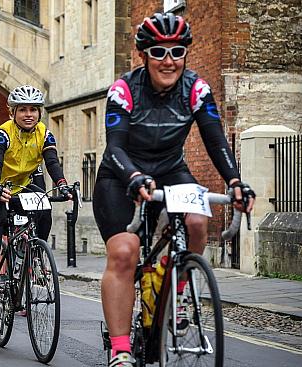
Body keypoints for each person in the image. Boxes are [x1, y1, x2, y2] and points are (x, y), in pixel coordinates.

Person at [92, 13, 256, 366]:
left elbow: (215, 140)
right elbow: (115, 146)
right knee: (125, 251)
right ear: (143, 56)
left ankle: (176, 292)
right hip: (121, 175)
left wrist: (235, 181)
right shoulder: (124, 90)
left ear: (185, 55)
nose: (169, 61)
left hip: (169, 170)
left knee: (197, 222)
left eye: (177, 51)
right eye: (159, 52)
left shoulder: (197, 89)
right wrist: (134, 177)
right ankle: (121, 351)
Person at [0, 84, 72, 335]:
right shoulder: (2, 134)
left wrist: (62, 185)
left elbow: (52, 161)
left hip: (21, 188)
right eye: (22, 110)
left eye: (33, 110)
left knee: (45, 206)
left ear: (39, 113)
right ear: (12, 113)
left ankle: (34, 252)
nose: (28, 114)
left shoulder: (44, 134)